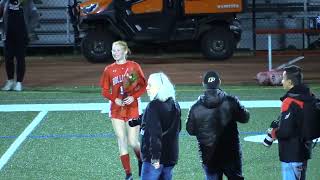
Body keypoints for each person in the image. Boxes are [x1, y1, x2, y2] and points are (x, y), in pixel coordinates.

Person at [186, 71, 250, 180]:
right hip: (231, 155)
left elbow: (190, 130)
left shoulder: (195, 107)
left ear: (203, 84)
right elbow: (245, 118)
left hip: (208, 155)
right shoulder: (231, 101)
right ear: (219, 82)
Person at [100, 40, 147, 180]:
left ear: (125, 51)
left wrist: (134, 97)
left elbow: (144, 86)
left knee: (133, 142)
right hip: (116, 110)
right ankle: (128, 174)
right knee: (121, 139)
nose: (114, 53)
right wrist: (115, 99)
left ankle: (141, 160)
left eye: (117, 50)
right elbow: (104, 91)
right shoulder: (109, 69)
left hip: (132, 108)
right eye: (113, 50)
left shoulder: (134, 66)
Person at [129, 72, 181, 180]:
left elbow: (155, 134)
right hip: (170, 157)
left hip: (154, 159)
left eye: (150, 85)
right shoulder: (175, 104)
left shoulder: (153, 106)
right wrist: (136, 121)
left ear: (158, 87)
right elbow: (177, 128)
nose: (147, 88)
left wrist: (155, 158)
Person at [268, 65, 313, 180]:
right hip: (304, 150)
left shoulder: (289, 101)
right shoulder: (309, 96)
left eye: (283, 79)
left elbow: (286, 131)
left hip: (291, 153)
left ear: (289, 82)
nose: (282, 81)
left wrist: (274, 133)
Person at [0, 0, 39, 91]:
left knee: (20, 58)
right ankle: (10, 81)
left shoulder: (27, 2)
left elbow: (35, 15)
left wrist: (28, 30)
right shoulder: (5, 1)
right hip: (8, 35)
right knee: (8, 58)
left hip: (22, 34)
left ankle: (19, 83)